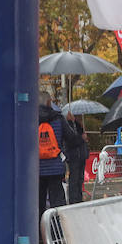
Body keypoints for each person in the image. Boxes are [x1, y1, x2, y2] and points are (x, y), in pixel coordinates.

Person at [38, 91, 76, 223]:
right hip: (55, 167)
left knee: (39, 202)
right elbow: (72, 139)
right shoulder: (58, 118)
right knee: (56, 202)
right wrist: (72, 123)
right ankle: (55, 233)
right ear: (49, 103)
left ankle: (40, 233)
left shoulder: (30, 120)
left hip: (37, 168)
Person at [64, 110, 89, 203]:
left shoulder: (78, 125)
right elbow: (71, 141)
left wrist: (80, 127)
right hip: (74, 156)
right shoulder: (68, 125)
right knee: (74, 179)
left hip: (81, 155)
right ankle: (73, 200)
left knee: (80, 179)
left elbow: (81, 136)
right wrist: (81, 139)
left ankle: (79, 198)